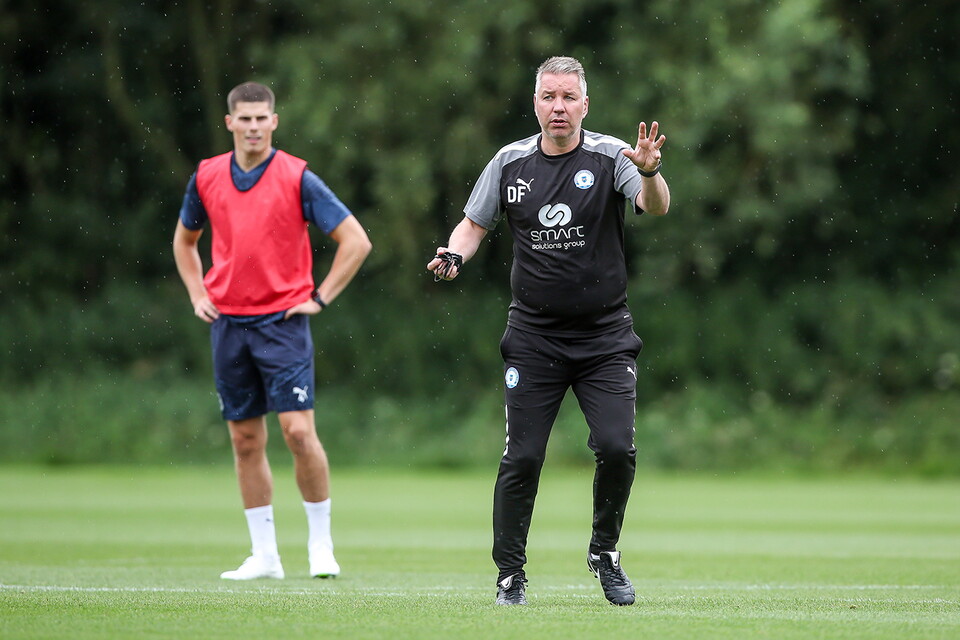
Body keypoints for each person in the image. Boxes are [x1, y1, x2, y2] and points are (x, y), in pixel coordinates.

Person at [427, 56, 670, 606]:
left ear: (586, 103)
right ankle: (510, 574)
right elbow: (474, 224)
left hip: (605, 338)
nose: (557, 107)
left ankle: (605, 552)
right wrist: (453, 253)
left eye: (568, 97)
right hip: (534, 338)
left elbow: (655, 206)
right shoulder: (509, 162)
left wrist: (651, 171)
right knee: (524, 458)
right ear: (534, 102)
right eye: (547, 97)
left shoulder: (612, 157)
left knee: (615, 447)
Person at [173, 82, 372, 580]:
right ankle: (264, 556)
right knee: (244, 439)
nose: (255, 127)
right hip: (228, 323)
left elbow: (355, 241)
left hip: (283, 322)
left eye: (263, 118)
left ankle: (321, 545)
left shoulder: (297, 176)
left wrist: (320, 296)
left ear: (274, 122)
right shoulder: (207, 176)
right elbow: (185, 241)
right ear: (230, 124)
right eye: (245, 119)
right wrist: (199, 294)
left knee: (298, 433)